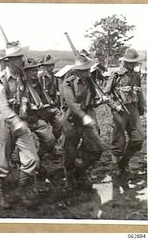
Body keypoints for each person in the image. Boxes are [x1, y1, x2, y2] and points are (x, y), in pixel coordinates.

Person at [0, 41, 40, 208]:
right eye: (18, 58)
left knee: (32, 159)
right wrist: (16, 121)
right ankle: (0, 195)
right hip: (5, 123)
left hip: (21, 120)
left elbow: (24, 96)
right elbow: (3, 106)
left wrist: (28, 106)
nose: (21, 60)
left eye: (21, 57)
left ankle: (21, 190)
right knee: (2, 161)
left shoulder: (22, 77)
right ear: (10, 60)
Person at [61, 54, 103, 190]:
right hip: (72, 120)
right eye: (84, 70)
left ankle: (80, 171)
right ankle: (69, 178)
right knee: (70, 151)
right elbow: (72, 104)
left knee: (97, 149)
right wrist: (83, 116)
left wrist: (99, 101)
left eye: (88, 69)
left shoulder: (90, 81)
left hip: (86, 119)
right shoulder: (68, 83)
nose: (87, 72)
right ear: (77, 70)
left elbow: (91, 101)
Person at [104, 48, 145, 174]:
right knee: (119, 141)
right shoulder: (116, 75)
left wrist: (142, 107)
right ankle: (117, 166)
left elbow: (139, 92)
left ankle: (124, 162)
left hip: (133, 109)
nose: (134, 65)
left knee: (138, 138)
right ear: (125, 62)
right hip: (120, 110)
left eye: (135, 62)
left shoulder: (136, 75)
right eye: (131, 62)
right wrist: (115, 106)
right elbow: (106, 94)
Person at [23, 58, 56, 160]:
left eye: (36, 70)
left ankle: (38, 157)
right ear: (26, 72)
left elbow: (44, 98)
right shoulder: (21, 84)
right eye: (33, 71)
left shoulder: (38, 83)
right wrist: (29, 106)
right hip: (23, 120)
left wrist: (47, 104)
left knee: (50, 140)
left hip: (36, 119)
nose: (35, 73)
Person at [39, 54, 62, 140]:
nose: (51, 67)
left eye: (52, 65)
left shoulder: (55, 77)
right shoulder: (40, 78)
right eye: (48, 66)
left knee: (60, 123)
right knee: (44, 130)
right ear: (43, 67)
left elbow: (58, 91)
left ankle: (54, 142)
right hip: (43, 107)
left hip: (54, 106)